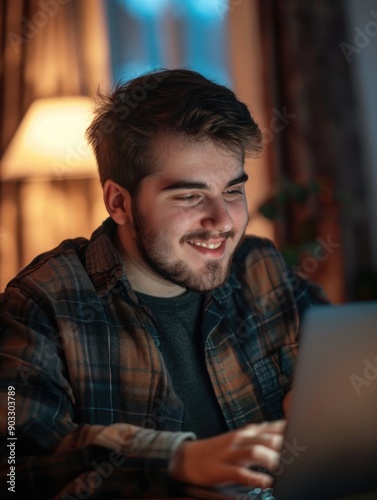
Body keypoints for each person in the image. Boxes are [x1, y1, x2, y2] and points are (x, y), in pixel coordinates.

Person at [0, 69, 327, 499]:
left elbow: (340, 363)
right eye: (189, 196)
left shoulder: (260, 265)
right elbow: (17, 468)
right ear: (119, 201)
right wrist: (176, 460)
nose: (223, 222)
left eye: (233, 191)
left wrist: (321, 406)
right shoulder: (40, 304)